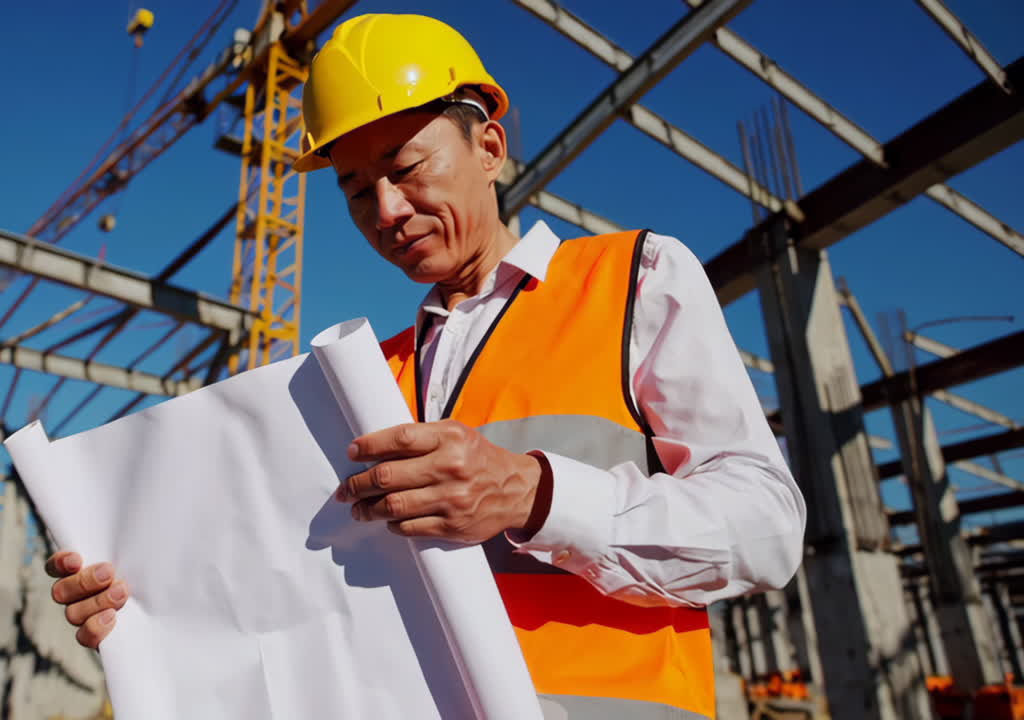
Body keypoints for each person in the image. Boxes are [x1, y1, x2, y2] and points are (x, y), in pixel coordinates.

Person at [44, 12, 806, 719]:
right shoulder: (363, 385)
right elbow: (293, 603)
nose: (385, 211)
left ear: (489, 148)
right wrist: (143, 606)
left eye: (405, 167)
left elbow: (767, 528)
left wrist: (535, 494)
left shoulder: (631, 280)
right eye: (354, 189)